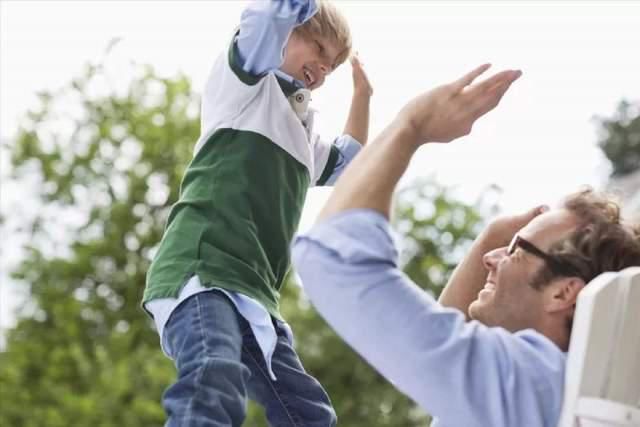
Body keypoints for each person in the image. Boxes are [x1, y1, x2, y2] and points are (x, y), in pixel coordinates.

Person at [291, 64, 640, 426]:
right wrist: (492, 237)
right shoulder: (553, 389)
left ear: (563, 292)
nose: (491, 257)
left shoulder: (530, 383)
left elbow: (331, 258)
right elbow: (437, 355)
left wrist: (411, 126)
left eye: (516, 250)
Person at [142, 0, 373, 425]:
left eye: (331, 66)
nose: (322, 69)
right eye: (318, 49)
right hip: (202, 271)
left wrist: (364, 95)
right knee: (213, 374)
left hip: (254, 294)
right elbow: (271, 15)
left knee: (306, 410)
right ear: (289, 31)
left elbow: (350, 164)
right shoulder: (246, 82)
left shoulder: (304, 134)